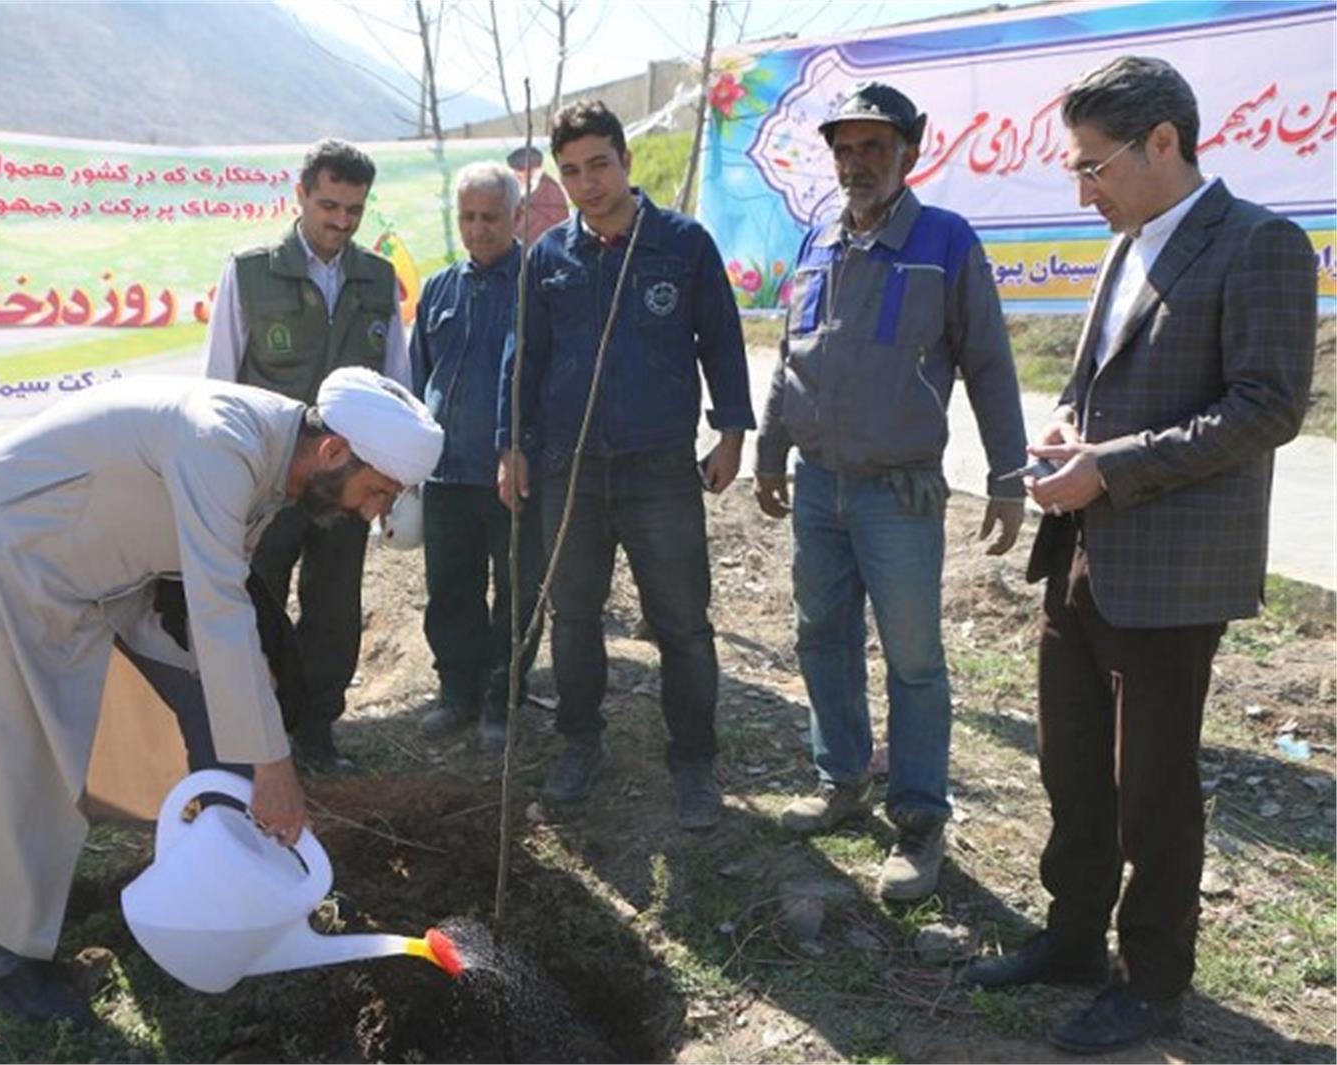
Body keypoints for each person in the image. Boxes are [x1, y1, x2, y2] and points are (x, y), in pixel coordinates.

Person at [961, 57, 1316, 1054]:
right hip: (1078, 555)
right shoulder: (1123, 249)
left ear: (1163, 141)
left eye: (1092, 167)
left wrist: (1106, 468)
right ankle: (1070, 939)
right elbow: (1100, 385)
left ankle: (1152, 977)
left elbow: (1267, 406)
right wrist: (1068, 433)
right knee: (1071, 769)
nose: (1081, 191)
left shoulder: (1258, 244)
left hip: (1170, 573)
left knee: (1150, 787)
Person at [0, 368, 442, 1026]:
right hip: (23, 544)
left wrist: (263, 724)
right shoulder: (221, 442)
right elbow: (220, 612)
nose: (372, 512)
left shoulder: (281, 455)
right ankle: (15, 953)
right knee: (26, 744)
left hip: (116, 565)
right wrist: (274, 769)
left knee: (203, 706)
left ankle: (202, 886)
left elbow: (217, 598)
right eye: (376, 491)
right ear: (334, 450)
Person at [752, 81, 1028, 901]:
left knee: (913, 660)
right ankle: (842, 778)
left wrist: (1009, 478)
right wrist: (770, 452)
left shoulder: (943, 241)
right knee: (820, 637)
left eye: (874, 146)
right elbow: (790, 358)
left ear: (909, 151)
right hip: (819, 488)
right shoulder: (816, 241)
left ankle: (918, 819)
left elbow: (989, 365)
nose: (856, 162)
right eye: (844, 147)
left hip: (899, 495)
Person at [498, 100, 754, 831]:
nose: (587, 184)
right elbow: (524, 360)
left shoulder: (680, 245)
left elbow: (722, 340)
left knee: (682, 622)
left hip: (659, 471)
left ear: (627, 161)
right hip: (567, 470)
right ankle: (580, 742)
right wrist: (510, 443)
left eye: (599, 165)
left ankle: (695, 758)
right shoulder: (549, 256)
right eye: (571, 171)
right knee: (573, 617)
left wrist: (732, 428)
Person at [203, 138, 409, 772]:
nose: (341, 222)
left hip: (347, 488)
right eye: (329, 206)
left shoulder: (376, 279)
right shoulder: (250, 273)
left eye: (354, 208)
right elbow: (215, 387)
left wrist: (394, 483)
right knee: (255, 602)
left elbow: (397, 381)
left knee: (334, 609)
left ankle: (317, 733)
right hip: (271, 483)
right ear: (299, 196)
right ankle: (254, 735)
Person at [410, 162, 544, 752]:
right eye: (468, 217)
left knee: (515, 591)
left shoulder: (536, 285)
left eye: (491, 217)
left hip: (512, 476)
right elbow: (418, 380)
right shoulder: (440, 289)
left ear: (517, 218)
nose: (479, 229)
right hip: (445, 474)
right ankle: (456, 693)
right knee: (450, 590)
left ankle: (502, 700)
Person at [506, 145, 569, 242]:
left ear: (531, 170)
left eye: (518, 173)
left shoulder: (550, 191)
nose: (516, 176)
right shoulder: (529, 186)